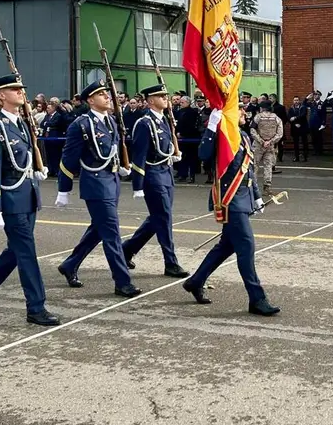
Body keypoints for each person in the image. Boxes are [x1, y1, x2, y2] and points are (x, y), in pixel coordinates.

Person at [0, 75, 59, 326]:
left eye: (21, 88)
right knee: (27, 254)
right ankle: (36, 307)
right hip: (11, 201)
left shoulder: (22, 123)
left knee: (16, 250)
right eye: (14, 89)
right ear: (0, 95)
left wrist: (36, 169)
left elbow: (27, 154)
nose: (21, 92)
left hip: (29, 197)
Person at [182, 107, 280, 316]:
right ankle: (257, 298)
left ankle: (195, 281)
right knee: (246, 246)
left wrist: (257, 196)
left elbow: (248, 169)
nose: (243, 111)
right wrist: (211, 126)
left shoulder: (243, 135)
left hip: (243, 198)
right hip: (229, 199)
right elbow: (203, 154)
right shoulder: (221, 134)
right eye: (238, 109)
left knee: (226, 246)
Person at [53, 79, 142, 296]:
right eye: (103, 95)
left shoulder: (110, 121)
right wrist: (63, 190)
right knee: (111, 233)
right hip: (95, 184)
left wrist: (121, 165)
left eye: (108, 94)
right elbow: (68, 158)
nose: (108, 97)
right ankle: (122, 281)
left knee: (98, 229)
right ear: (91, 100)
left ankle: (70, 264)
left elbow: (114, 148)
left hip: (111, 181)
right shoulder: (81, 124)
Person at [119, 83, 190, 278]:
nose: (165, 99)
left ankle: (126, 249)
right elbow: (139, 155)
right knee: (164, 218)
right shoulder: (144, 123)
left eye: (166, 96)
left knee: (157, 218)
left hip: (166, 173)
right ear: (150, 100)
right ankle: (170, 262)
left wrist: (173, 154)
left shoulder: (164, 120)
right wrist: (138, 184)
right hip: (153, 175)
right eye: (161, 96)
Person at [251, 100, 284, 195]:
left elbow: (252, 130)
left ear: (262, 108)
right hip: (270, 146)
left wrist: (261, 141)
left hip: (258, 145)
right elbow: (280, 134)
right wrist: (270, 141)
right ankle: (267, 188)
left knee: (254, 165)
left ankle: (253, 187)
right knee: (268, 166)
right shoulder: (277, 118)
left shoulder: (258, 117)